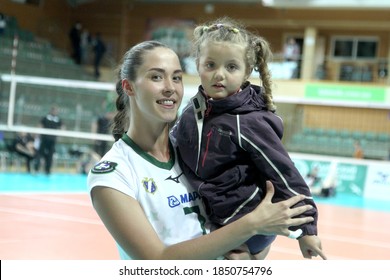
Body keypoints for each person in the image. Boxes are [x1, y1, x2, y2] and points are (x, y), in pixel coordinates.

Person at [87, 40, 316, 260]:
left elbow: (254, 222)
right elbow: (156, 261)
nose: (170, 88)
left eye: (176, 78)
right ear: (128, 86)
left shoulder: (199, 150)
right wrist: (251, 225)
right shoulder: (113, 174)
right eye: (156, 77)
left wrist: (250, 253)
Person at [171, 17, 326, 259]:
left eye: (231, 67)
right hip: (217, 215)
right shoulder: (192, 110)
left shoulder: (249, 121)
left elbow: (285, 174)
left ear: (246, 73)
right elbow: (171, 144)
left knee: (236, 261)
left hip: (248, 220)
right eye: (210, 65)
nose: (218, 75)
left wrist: (307, 230)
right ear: (197, 64)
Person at [35, 105, 64, 175]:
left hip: (52, 140)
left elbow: (62, 127)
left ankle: (47, 170)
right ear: (51, 111)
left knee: (50, 156)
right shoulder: (45, 118)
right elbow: (40, 125)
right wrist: (38, 134)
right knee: (40, 154)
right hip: (44, 139)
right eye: (54, 110)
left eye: (56, 111)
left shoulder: (58, 119)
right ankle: (36, 168)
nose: (55, 112)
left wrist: (61, 135)